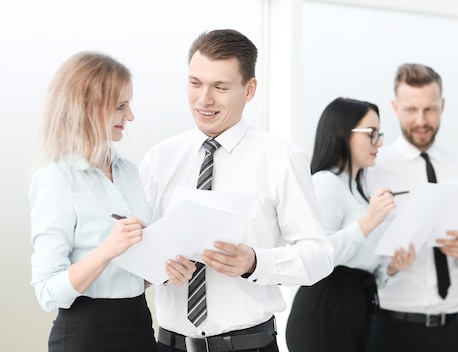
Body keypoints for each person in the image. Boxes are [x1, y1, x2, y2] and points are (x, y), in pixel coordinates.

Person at [139, 29, 334, 352]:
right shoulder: (160, 158)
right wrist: (156, 267)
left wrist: (256, 262)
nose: (204, 99)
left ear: (249, 89)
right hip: (168, 345)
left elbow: (320, 256)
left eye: (220, 87)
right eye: (195, 83)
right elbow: (137, 253)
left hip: (247, 346)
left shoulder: (281, 158)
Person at [29, 52, 195, 352]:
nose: (130, 117)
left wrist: (165, 274)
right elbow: (48, 292)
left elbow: (131, 277)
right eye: (120, 107)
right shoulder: (55, 180)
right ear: (88, 109)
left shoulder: (130, 172)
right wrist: (108, 250)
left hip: (139, 326)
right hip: (86, 336)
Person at [285, 97, 416, 352]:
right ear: (343, 133)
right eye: (371, 134)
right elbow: (317, 255)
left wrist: (390, 269)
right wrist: (368, 221)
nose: (379, 142)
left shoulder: (358, 192)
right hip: (325, 312)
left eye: (379, 134)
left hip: (356, 312)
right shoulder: (326, 183)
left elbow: (361, 265)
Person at [365, 63, 458, 352]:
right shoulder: (375, 169)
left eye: (429, 109)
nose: (421, 120)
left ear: (442, 105)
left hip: (454, 327)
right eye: (411, 110)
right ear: (395, 107)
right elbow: (360, 249)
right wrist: (390, 266)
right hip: (393, 327)